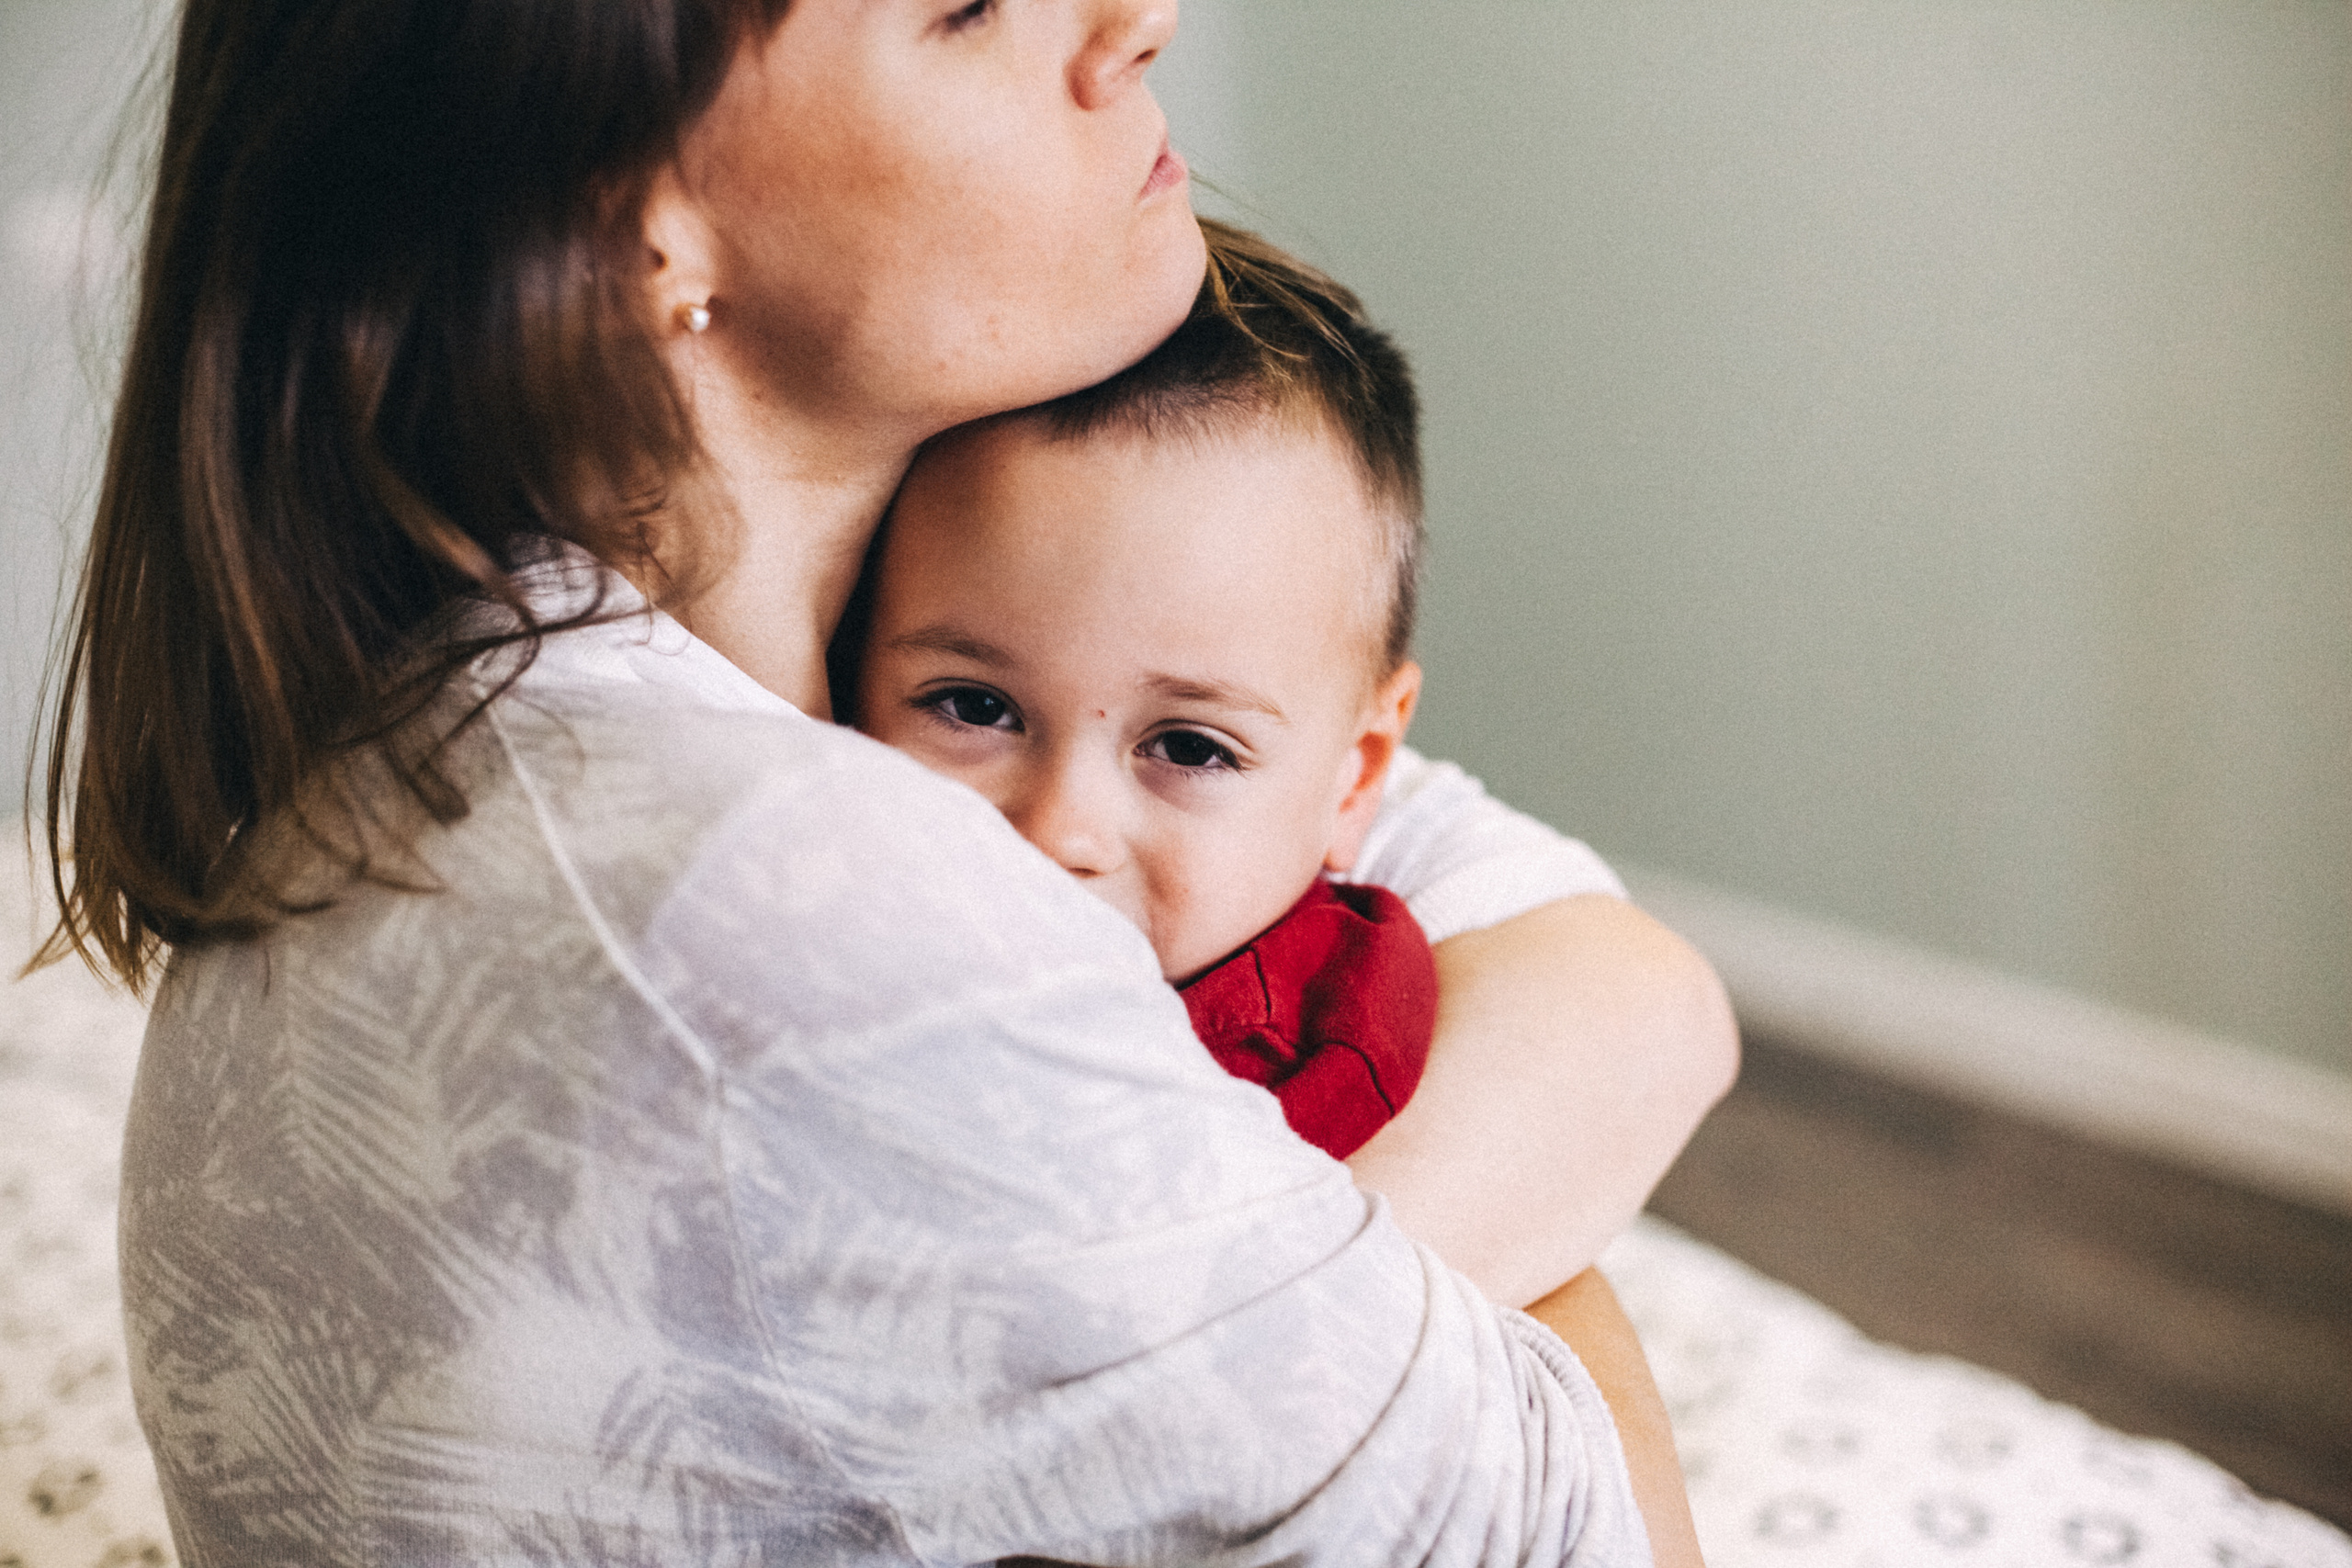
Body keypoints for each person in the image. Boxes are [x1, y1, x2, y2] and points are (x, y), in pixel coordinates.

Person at [39, 0, 1736, 1562]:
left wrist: (1317, 1292)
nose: (1136, 18)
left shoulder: (557, 659)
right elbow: (1589, 1522)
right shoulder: (790, 896)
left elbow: (1627, 983)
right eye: (968, 3)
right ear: (646, 233)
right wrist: (1363, 1327)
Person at [852, 221, 1460, 1160]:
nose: (1059, 833)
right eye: (973, 706)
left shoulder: (1321, 1051)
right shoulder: (811, 940)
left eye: (1188, 747)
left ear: (1353, 779)